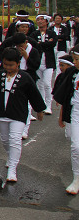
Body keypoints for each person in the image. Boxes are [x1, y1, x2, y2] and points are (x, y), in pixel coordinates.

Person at [0, 47, 45, 182]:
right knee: (5, 139)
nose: (8, 67)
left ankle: (12, 169)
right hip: (2, 112)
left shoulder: (25, 77)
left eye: (11, 65)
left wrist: (39, 110)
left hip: (18, 114)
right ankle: (10, 155)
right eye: (5, 64)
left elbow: (34, 94)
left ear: (18, 63)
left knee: (15, 139)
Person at [54, 52, 79, 194]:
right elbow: (66, 94)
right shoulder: (72, 73)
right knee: (76, 147)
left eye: (77, 59)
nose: (74, 62)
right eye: (74, 59)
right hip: (76, 112)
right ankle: (76, 179)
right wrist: (62, 115)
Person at [29, 15, 57, 115]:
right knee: (39, 85)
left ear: (47, 22)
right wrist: (45, 43)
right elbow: (33, 45)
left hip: (49, 63)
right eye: (38, 20)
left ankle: (49, 105)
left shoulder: (52, 33)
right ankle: (42, 104)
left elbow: (53, 44)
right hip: (37, 62)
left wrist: (41, 43)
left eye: (42, 20)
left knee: (47, 84)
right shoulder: (34, 33)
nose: (40, 21)